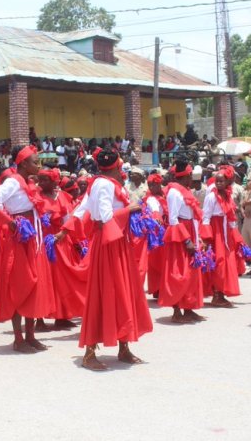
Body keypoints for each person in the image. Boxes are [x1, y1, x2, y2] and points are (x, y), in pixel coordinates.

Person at [66, 148, 152, 370]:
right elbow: (104, 218)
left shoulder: (104, 183)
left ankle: (123, 347)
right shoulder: (104, 184)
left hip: (117, 242)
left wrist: (64, 231)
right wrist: (130, 209)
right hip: (108, 245)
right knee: (104, 294)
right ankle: (89, 353)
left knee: (123, 293)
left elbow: (80, 210)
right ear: (115, 166)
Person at [0, 145, 55, 353]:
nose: (38, 165)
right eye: (34, 161)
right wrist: (11, 222)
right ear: (23, 163)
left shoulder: (28, 181)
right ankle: (18, 339)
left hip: (32, 237)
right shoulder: (13, 181)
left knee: (34, 284)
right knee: (20, 283)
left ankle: (30, 336)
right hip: (20, 237)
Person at [36, 166, 87, 330]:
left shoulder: (63, 197)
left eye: (45, 180)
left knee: (62, 278)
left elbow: (68, 219)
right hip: (43, 240)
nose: (41, 183)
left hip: (61, 240)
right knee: (44, 277)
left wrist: (64, 235)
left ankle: (62, 316)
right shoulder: (36, 197)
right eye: (40, 179)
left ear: (53, 181)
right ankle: (39, 319)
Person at [157, 160, 205, 323]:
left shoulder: (185, 190)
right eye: (191, 175)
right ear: (186, 176)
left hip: (189, 228)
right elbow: (173, 219)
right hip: (180, 234)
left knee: (191, 272)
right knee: (179, 272)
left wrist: (197, 237)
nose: (193, 178)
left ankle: (189, 308)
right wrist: (186, 241)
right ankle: (177, 310)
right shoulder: (174, 193)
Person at [201, 165, 245, 307]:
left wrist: (236, 235)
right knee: (218, 262)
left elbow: (231, 216)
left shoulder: (228, 195)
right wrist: (207, 238)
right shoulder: (211, 196)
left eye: (221, 181)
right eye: (217, 181)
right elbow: (206, 217)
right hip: (216, 230)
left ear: (227, 182)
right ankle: (216, 294)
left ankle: (221, 293)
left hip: (225, 229)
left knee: (227, 261)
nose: (219, 183)